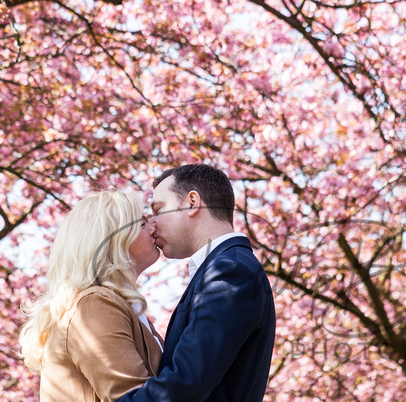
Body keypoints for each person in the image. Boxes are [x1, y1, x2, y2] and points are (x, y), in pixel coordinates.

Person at [118, 164, 276, 402]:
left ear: (192, 202)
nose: (152, 225)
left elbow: (186, 383)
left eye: (159, 209)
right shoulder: (227, 267)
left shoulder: (230, 270)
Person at [20, 190, 163, 402]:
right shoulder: (95, 305)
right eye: (142, 224)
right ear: (112, 239)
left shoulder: (119, 305)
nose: (154, 228)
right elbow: (134, 396)